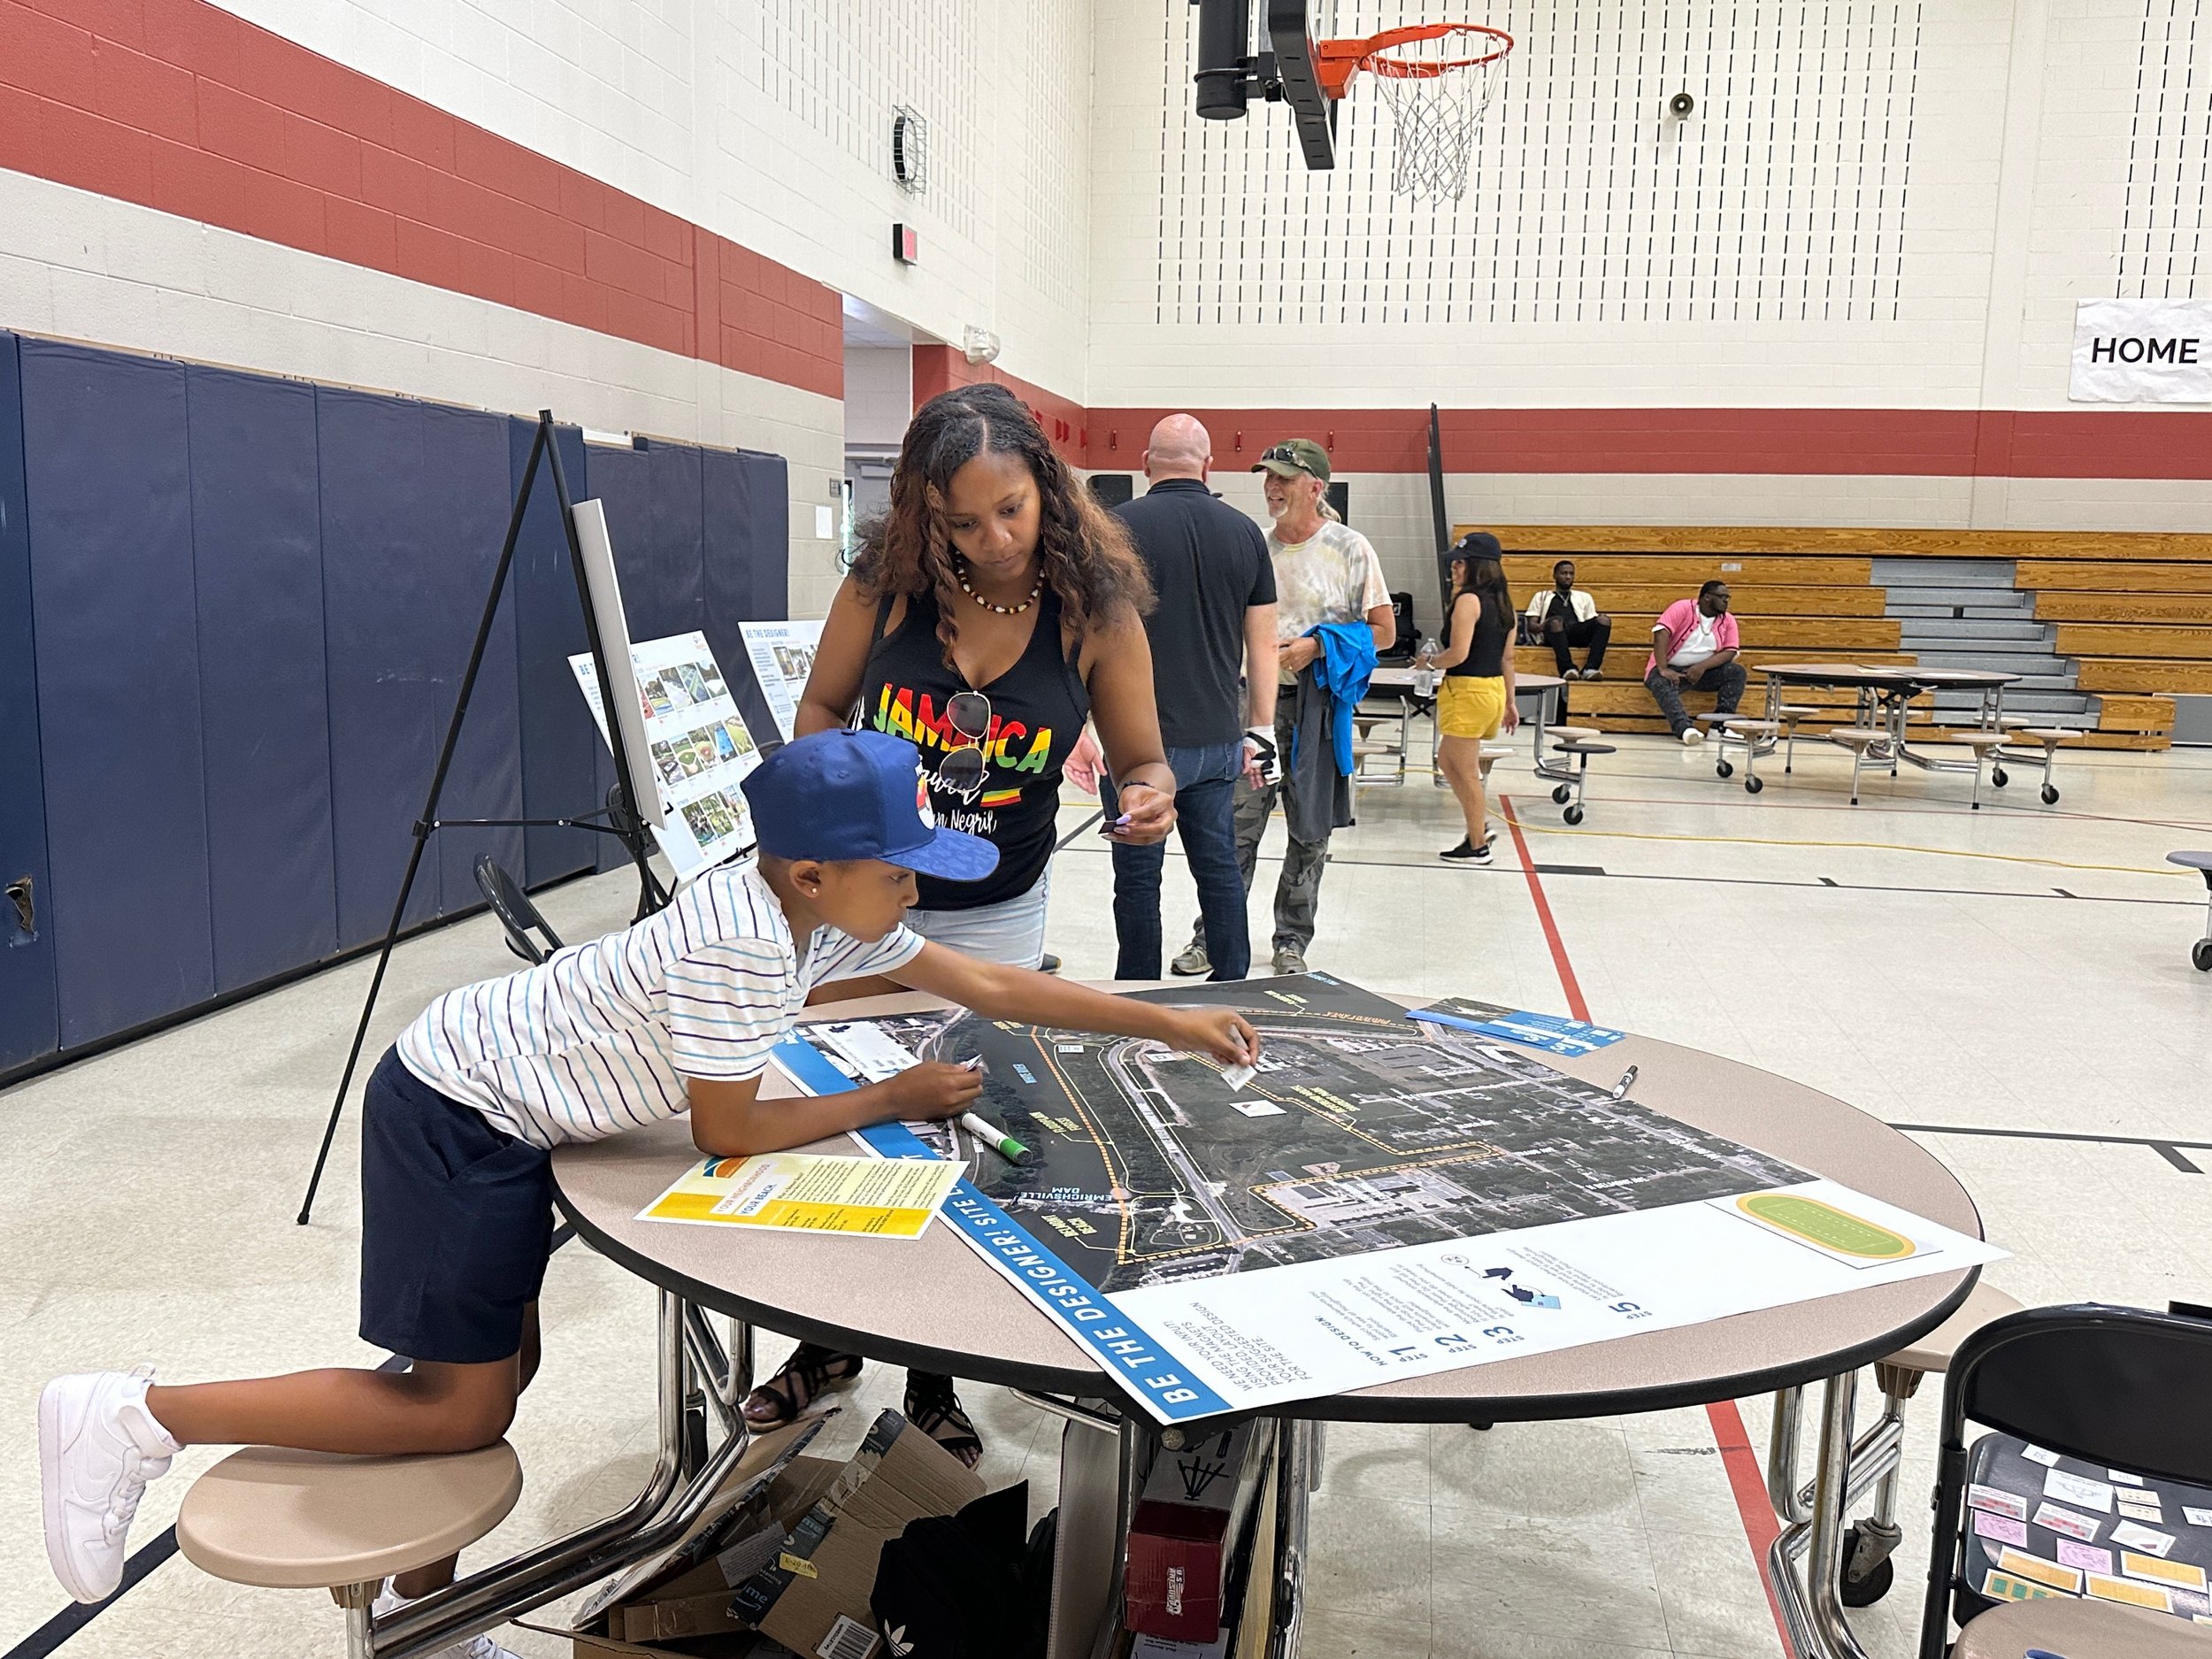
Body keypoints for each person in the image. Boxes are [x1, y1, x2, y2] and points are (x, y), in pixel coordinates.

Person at [36, 731, 1259, 1624]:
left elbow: (984, 981)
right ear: (815, 873)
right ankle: (140, 1411)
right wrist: (888, 1096)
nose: (918, 887)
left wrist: (1164, 1022)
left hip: (499, 1106)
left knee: (483, 1371)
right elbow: (727, 1128)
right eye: (901, 867)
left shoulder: (816, 902)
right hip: (458, 1109)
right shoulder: (740, 938)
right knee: (463, 1404)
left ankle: (426, 1610)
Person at [782, 381, 1176, 1451]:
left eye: (1011, 509)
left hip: (997, 908)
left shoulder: (1094, 613)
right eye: (961, 520)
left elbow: (1142, 759)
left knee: (963, 1136)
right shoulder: (886, 586)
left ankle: (932, 1376)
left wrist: (1149, 796)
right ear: (923, 513)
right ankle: (825, 1340)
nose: (992, 539)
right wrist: (832, 800)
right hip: (866, 900)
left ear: (1045, 490)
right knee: (849, 1117)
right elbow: (821, 706)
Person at [1171, 438, 1393, 979]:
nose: (1271, 487)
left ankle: (1292, 941)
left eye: (1283, 479)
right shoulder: (1254, 545)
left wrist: (1316, 646)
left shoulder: (1351, 548)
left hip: (1317, 712)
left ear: (1316, 487)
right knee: (1234, 830)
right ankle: (1212, 937)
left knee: (1309, 833)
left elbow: (1384, 632)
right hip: (1252, 711)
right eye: (1267, 477)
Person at [1106, 414, 1279, 981]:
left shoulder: (1115, 530)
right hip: (1218, 743)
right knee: (1219, 870)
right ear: (1209, 466)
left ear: (1145, 463)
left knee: (1137, 878)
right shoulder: (1245, 532)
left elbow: (1087, 637)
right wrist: (1262, 729)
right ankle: (1232, 982)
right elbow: (1263, 645)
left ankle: (1139, 993)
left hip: (1138, 747)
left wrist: (1085, 727)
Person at [1429, 533, 1520, 861]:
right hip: (1492, 689)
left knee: (1465, 770)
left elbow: (1457, 654)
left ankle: (1478, 843)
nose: (1454, 567)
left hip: (1468, 690)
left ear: (1478, 566)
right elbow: (1506, 659)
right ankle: (1477, 826)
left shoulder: (1468, 601)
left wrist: (1429, 662)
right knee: (1447, 759)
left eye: (1460, 562)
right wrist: (1510, 701)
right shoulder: (1507, 604)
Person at [1646, 580, 1745, 744]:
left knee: (1736, 672)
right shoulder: (1683, 607)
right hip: (1671, 668)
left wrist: (1701, 667)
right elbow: (1661, 632)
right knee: (1659, 682)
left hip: (1703, 672)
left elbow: (1731, 651)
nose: (1726, 601)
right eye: (1722, 597)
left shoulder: (1728, 620)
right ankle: (1685, 729)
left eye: (1728, 597)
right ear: (1707, 597)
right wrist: (1663, 668)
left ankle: (1719, 728)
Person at [1525, 558, 1611, 680]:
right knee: (1556, 622)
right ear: (1554, 575)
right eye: (1564, 573)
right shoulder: (1541, 596)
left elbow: (1590, 622)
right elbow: (1532, 626)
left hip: (1576, 632)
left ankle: (1591, 668)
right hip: (1553, 634)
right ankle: (1567, 668)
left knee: (1604, 620)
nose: (1568, 577)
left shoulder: (1584, 597)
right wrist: (1548, 623)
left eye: (1571, 574)